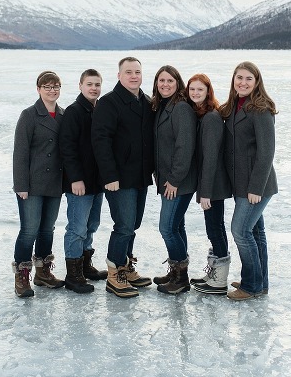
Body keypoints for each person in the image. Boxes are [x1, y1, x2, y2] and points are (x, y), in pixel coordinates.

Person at [91, 57, 154, 298]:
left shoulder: (146, 102)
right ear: (119, 75)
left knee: (133, 225)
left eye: (137, 71)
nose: (134, 76)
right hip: (118, 178)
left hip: (140, 177)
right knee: (124, 225)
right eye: (128, 72)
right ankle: (114, 274)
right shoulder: (108, 103)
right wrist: (109, 175)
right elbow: (100, 141)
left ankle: (125, 267)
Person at [219, 62, 279, 301]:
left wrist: (255, 188)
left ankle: (251, 285)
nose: (242, 82)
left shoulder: (261, 109)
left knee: (240, 231)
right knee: (255, 232)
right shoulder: (235, 106)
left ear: (257, 82)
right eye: (239, 78)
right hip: (242, 183)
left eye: (248, 79)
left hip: (257, 185)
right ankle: (259, 282)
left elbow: (266, 152)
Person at [12, 71, 66, 298]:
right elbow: (20, 153)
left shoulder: (64, 115)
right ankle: (23, 276)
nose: (52, 90)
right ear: (38, 89)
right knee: (29, 230)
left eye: (55, 86)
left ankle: (43, 273)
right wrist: (21, 185)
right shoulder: (29, 115)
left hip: (54, 183)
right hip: (32, 185)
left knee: (47, 230)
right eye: (47, 86)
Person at [149, 65, 198, 294]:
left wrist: (175, 179)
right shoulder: (162, 106)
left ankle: (181, 278)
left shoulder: (181, 109)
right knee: (177, 226)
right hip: (168, 179)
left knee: (167, 227)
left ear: (178, 83)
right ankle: (176, 271)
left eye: (170, 81)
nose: (165, 85)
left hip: (179, 182)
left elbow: (184, 147)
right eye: (161, 81)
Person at [59, 69, 107, 294]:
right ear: (80, 86)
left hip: (97, 182)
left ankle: (85, 265)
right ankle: (73, 274)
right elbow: (67, 148)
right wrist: (75, 179)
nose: (94, 88)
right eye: (89, 84)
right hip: (79, 183)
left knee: (91, 225)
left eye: (97, 84)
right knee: (77, 228)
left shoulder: (99, 110)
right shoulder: (74, 111)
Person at [185, 74, 232, 295]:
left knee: (215, 228)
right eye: (192, 89)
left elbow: (211, 157)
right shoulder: (202, 114)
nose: (195, 93)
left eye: (199, 90)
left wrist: (206, 192)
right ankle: (214, 273)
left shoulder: (211, 118)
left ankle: (219, 280)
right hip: (211, 184)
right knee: (214, 228)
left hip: (214, 185)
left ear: (208, 92)